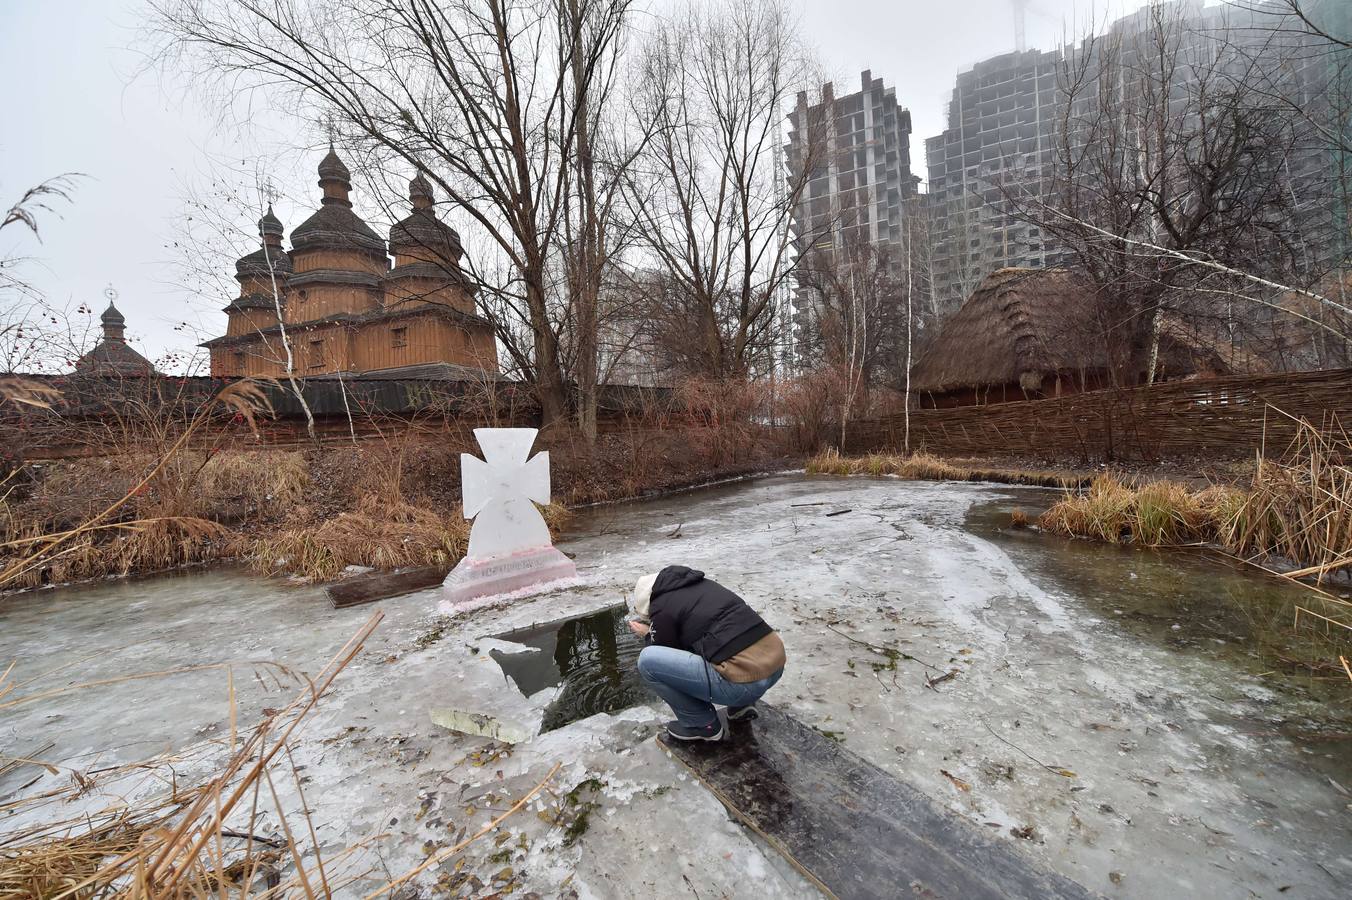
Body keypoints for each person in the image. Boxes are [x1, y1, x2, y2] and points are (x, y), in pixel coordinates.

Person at [627, 565, 786, 742]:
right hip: (775, 666)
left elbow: (664, 652)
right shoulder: (701, 586)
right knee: (724, 642)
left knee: (648, 661)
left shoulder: (661, 607)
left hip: (744, 684)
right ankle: (740, 707)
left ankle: (701, 724)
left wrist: (649, 633)